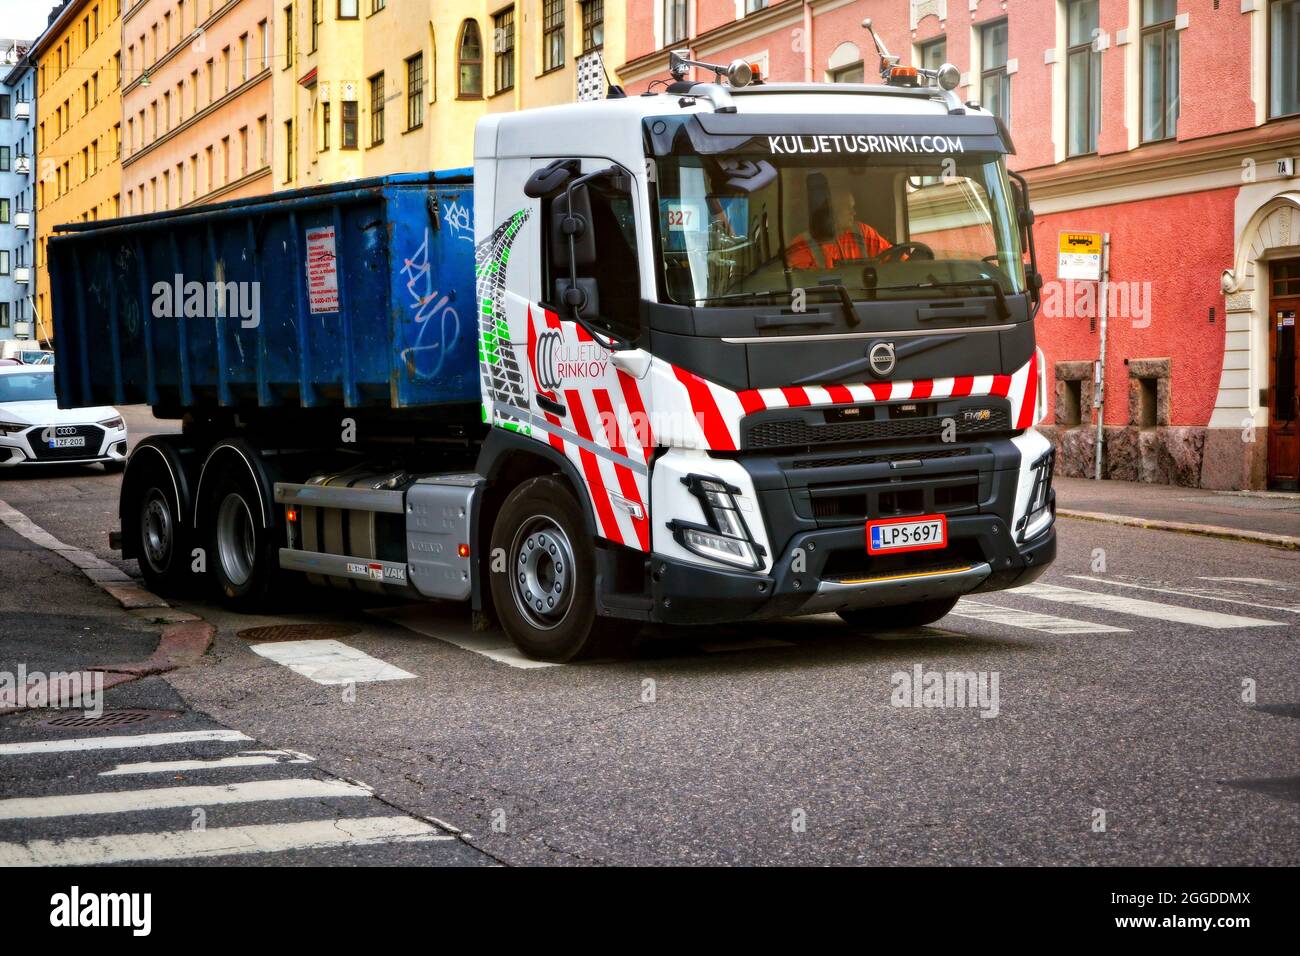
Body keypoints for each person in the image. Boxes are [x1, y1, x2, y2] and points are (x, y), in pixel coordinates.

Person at [786, 186, 891, 270]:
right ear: (831, 211)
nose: (854, 213)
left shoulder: (863, 233)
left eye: (853, 208)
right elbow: (800, 286)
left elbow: (894, 257)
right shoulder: (802, 245)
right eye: (848, 208)